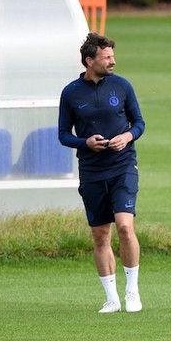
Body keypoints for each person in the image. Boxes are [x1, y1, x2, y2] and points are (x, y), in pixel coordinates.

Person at [59, 33, 146, 313]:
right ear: (89, 61)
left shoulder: (122, 86)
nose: (113, 61)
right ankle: (112, 298)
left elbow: (139, 123)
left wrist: (128, 137)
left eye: (112, 56)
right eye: (107, 57)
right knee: (100, 235)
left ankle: (132, 291)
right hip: (91, 170)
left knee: (124, 225)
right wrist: (85, 143)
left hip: (123, 166)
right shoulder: (71, 93)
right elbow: (62, 134)